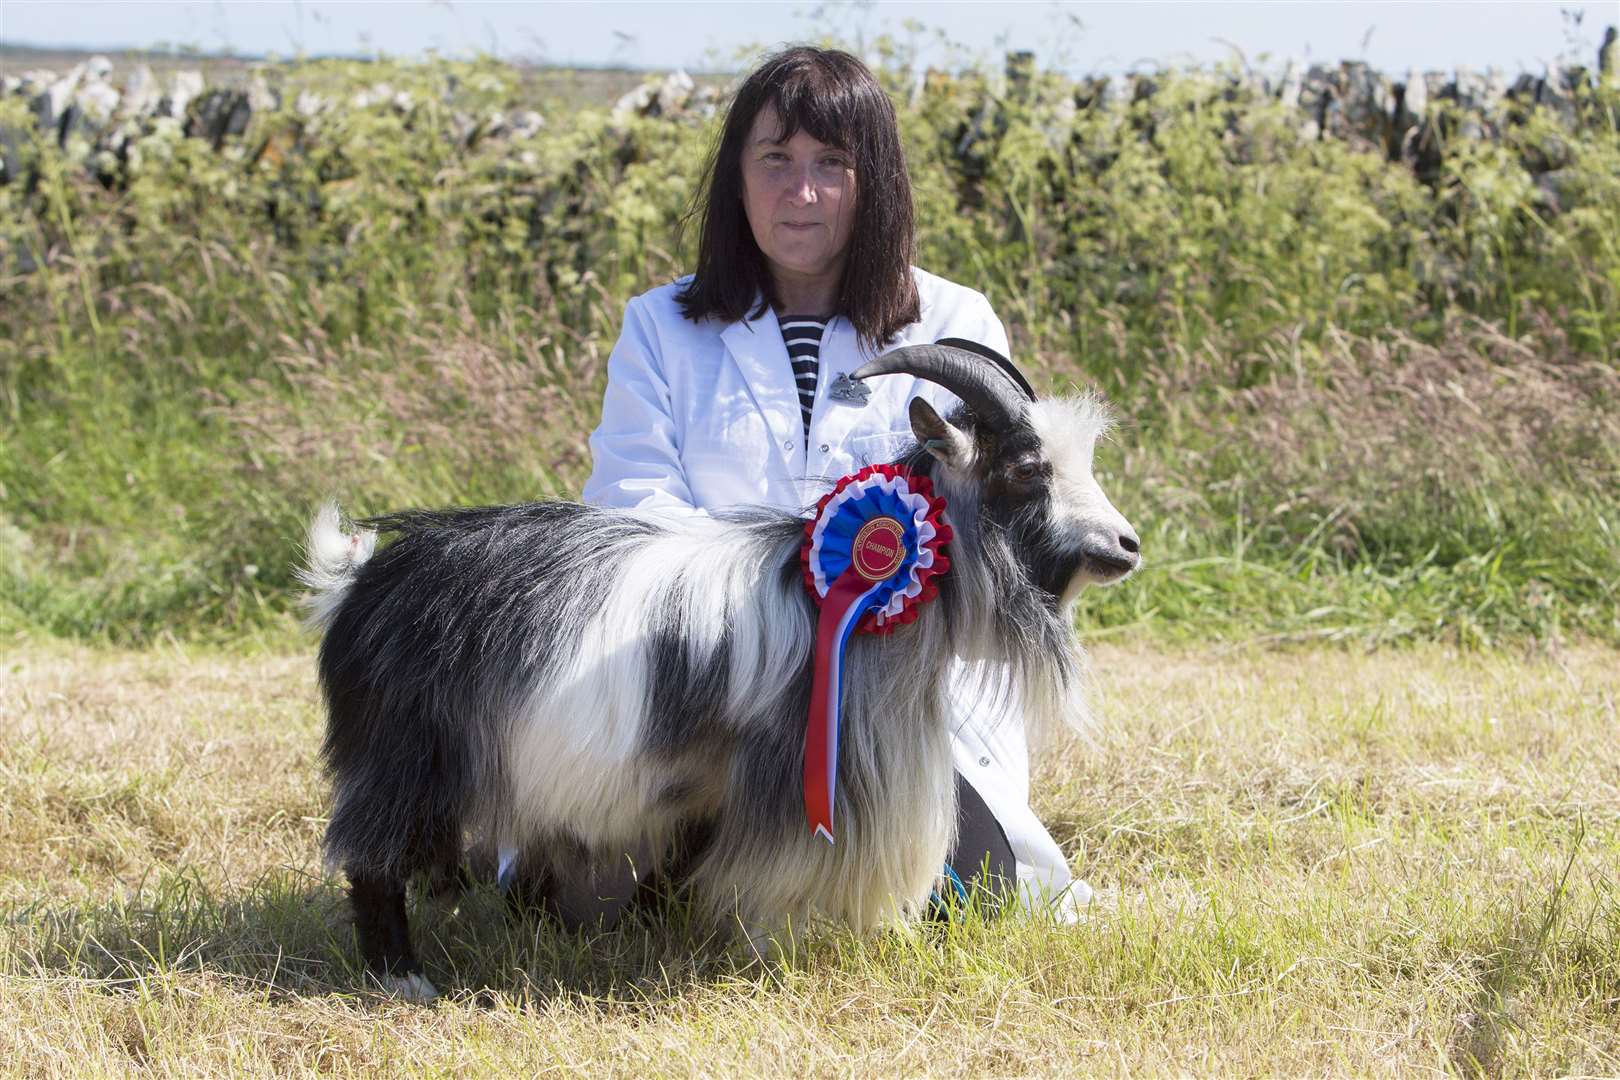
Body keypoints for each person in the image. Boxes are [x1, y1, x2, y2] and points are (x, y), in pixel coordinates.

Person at [523, 44, 1089, 925]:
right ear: (736, 178)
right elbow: (629, 513)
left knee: (971, 889)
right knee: (565, 899)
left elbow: (1002, 532)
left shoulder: (956, 324)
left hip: (902, 698)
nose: (803, 192)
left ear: (878, 184)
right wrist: (781, 618)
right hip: (713, 686)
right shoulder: (659, 328)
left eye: (833, 164)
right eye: (775, 160)